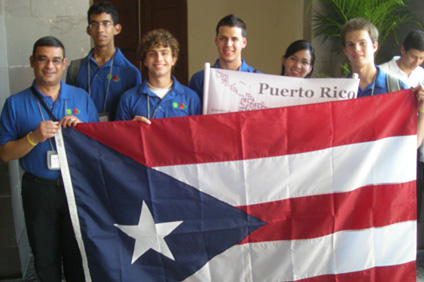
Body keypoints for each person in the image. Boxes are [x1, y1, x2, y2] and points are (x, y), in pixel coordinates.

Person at [0, 36, 99, 281]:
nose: (49, 66)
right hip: (38, 190)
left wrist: (81, 131)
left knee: (78, 255)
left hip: (75, 189)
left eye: (56, 60)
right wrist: (33, 137)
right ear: (32, 62)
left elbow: (98, 147)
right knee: (45, 258)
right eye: (43, 59)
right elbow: (5, 153)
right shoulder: (14, 104)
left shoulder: (81, 98)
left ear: (64, 64)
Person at [340, 18, 424, 146]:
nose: (356, 49)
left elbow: (411, 144)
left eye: (362, 43)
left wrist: (422, 110)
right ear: (345, 50)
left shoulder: (397, 88)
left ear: (374, 46)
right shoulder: (338, 90)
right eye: (351, 44)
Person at [66, 1, 141, 121]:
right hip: (83, 136)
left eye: (106, 24)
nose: (100, 29)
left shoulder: (130, 72)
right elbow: (68, 105)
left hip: (115, 136)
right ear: (88, 30)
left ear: (117, 29)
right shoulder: (76, 68)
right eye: (94, 24)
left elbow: (133, 112)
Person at [379, 30, 424, 222]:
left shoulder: (421, 74)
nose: (416, 62)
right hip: (389, 142)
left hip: (417, 142)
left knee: (414, 196)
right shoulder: (382, 72)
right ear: (403, 49)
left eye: (421, 58)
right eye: (413, 56)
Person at [115, 29, 201, 123]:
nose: (159, 59)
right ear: (145, 61)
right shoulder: (128, 99)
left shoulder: (191, 98)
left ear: (173, 60)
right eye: (152, 54)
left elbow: (197, 136)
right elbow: (119, 136)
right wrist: (131, 128)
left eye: (164, 53)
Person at [188, 14, 261, 102]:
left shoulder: (259, 80)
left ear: (244, 43)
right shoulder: (199, 80)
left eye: (234, 39)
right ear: (216, 41)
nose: (228, 44)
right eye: (223, 38)